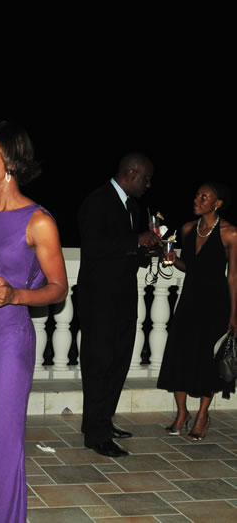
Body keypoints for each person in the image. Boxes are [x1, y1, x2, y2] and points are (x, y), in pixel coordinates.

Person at [0, 121, 68, 523]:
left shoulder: (38, 221)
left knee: (0, 444)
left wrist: (16, 294)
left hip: (7, 344)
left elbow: (58, 288)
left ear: (11, 163)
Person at [78, 153, 161, 458]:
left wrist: (146, 250)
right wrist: (135, 241)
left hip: (124, 296)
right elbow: (95, 247)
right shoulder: (98, 201)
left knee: (119, 361)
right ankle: (95, 434)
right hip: (99, 299)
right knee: (99, 364)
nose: (148, 184)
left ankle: (104, 421)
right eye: (146, 178)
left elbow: (126, 249)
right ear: (131, 173)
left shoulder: (132, 206)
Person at [157, 182, 237, 440]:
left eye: (204, 197)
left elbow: (233, 277)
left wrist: (234, 314)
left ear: (218, 203)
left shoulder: (230, 234)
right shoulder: (188, 228)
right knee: (179, 354)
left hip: (215, 303)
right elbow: (187, 266)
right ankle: (182, 412)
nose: (197, 199)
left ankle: (202, 414)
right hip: (189, 300)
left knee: (206, 360)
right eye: (197, 195)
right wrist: (170, 258)